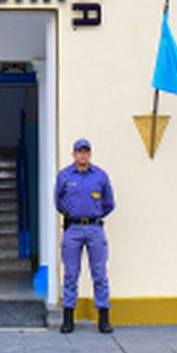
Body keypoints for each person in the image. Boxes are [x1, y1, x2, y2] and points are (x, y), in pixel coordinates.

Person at [55, 137, 114, 334]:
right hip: (73, 229)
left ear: (90, 154)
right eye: (80, 152)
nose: (83, 155)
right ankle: (68, 317)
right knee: (71, 273)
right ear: (73, 154)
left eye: (86, 152)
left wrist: (94, 216)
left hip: (95, 228)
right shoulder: (64, 176)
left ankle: (104, 318)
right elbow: (58, 202)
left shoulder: (100, 176)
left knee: (99, 273)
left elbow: (109, 203)